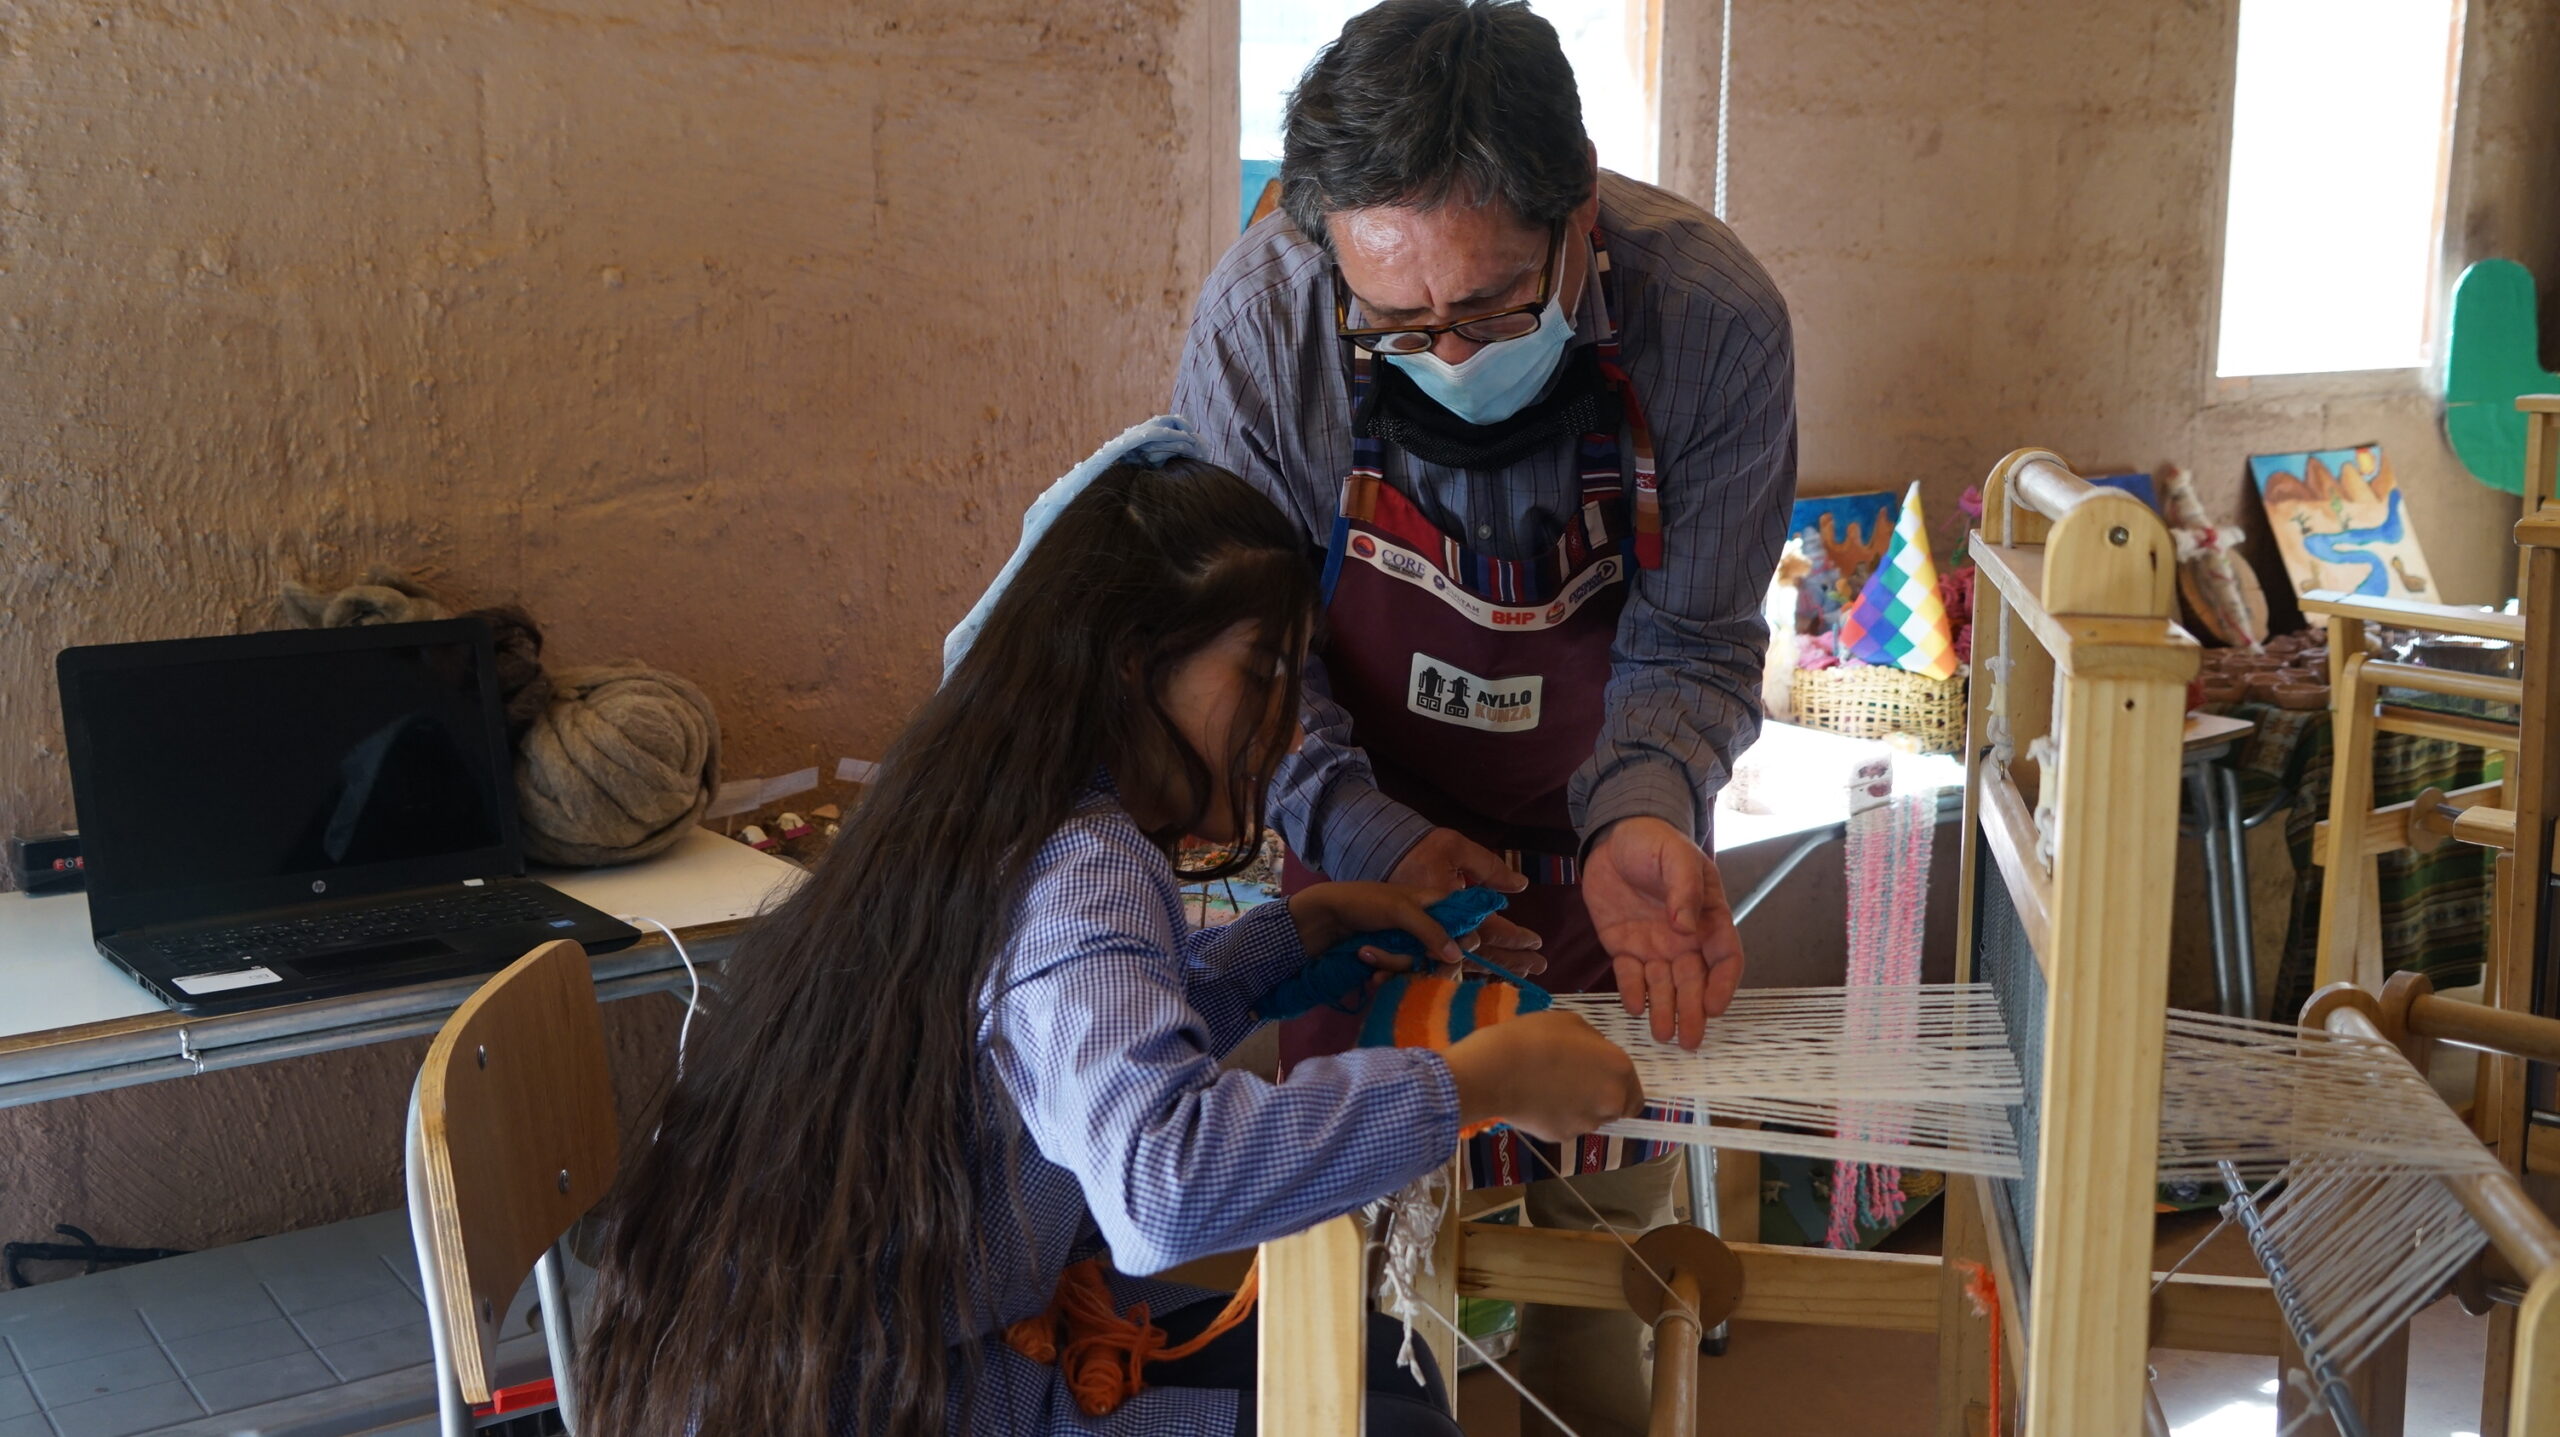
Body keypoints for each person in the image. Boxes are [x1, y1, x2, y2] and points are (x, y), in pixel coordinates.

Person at [574, 422, 1644, 1436]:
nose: (1282, 724)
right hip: (905, 1399)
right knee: (1385, 1414)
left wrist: (1293, 938)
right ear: (1133, 661)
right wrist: (1476, 1086)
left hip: (804, 1371)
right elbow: (1162, 1187)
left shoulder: (982, 807)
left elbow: (1060, 1057)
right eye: (1260, 672)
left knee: (1365, 1362)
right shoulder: (1085, 861)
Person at [1171, 2, 1796, 1430]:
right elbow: (1252, 665)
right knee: (1374, 1281)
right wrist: (1363, 829)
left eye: (1498, 309)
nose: (1449, 354)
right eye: (1398, 324)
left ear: (1579, 214)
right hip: (1363, 848)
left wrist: (1646, 809)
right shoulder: (1267, 324)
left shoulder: (1711, 323)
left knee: (1599, 1250)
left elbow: (1694, 637)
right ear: (1328, 251)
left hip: (1602, 866)